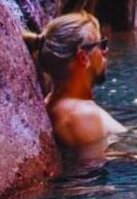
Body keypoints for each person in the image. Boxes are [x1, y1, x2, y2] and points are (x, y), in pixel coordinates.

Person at [23, 12, 128, 149]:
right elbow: (96, 167)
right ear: (83, 58)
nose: (106, 50)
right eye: (101, 44)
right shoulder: (82, 116)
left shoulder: (57, 103)